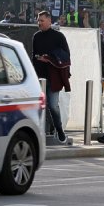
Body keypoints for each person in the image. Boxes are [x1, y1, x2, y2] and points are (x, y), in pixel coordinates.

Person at [32, 10, 72, 145]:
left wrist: (49, 59)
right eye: (38, 20)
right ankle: (41, 132)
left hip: (54, 77)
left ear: (49, 20)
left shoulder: (59, 37)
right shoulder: (36, 36)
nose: (39, 23)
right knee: (39, 107)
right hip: (39, 77)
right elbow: (33, 56)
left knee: (53, 106)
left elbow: (66, 57)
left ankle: (59, 129)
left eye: (42, 20)